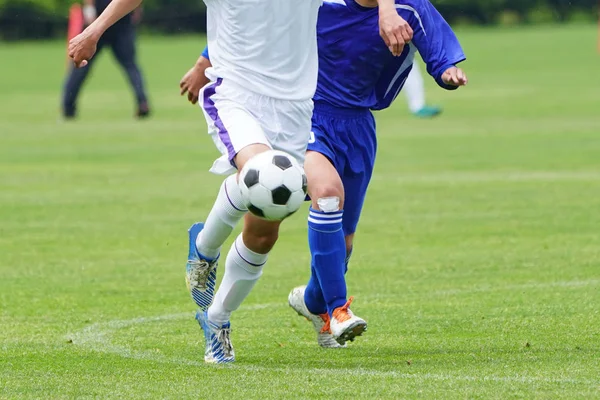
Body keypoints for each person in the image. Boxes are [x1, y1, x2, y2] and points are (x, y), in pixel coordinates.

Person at [69, 0, 413, 363]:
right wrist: (95, 30)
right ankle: (205, 251)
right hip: (236, 95)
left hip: (296, 109)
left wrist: (387, 9)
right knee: (262, 172)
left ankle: (216, 318)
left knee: (265, 230)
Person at [183, 0, 467, 348]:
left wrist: (447, 69)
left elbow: (436, 46)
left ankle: (314, 302)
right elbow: (255, 23)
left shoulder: (409, 8)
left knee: (337, 242)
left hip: (358, 125)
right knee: (327, 193)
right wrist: (204, 60)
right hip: (306, 113)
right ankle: (338, 310)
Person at [62, 0, 149, 119]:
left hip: (99, 20)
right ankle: (142, 102)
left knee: (81, 64)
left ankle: (68, 107)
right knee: (130, 66)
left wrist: (89, 8)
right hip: (120, 20)